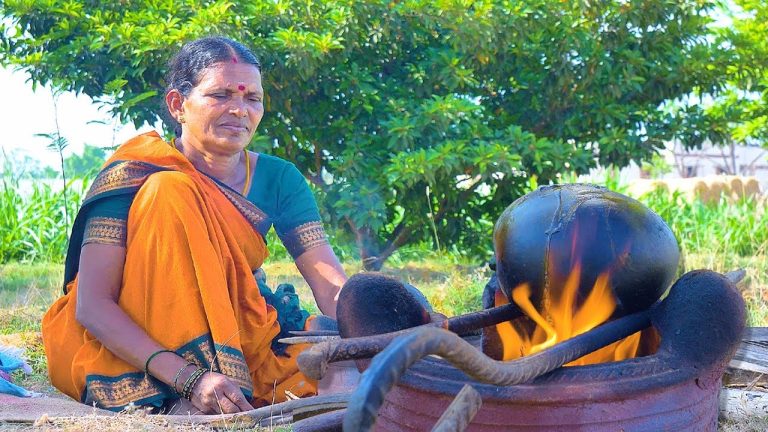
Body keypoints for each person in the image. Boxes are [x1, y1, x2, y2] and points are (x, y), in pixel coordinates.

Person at [41, 36, 348, 415]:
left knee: (346, 370)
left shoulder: (279, 178)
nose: (239, 111)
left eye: (252, 99)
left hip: (238, 335)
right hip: (130, 345)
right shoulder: (136, 172)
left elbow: (329, 284)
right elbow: (93, 304)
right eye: (220, 95)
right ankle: (175, 398)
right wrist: (190, 379)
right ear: (177, 105)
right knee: (170, 188)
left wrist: (384, 328)